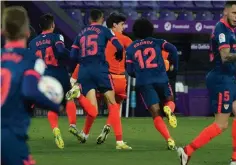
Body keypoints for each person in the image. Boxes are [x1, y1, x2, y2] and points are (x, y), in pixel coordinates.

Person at [177, 1, 236, 165]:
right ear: (226, 12)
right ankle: (187, 151)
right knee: (221, 124)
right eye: (234, 13)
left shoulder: (228, 30)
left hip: (228, 79)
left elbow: (225, 51)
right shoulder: (221, 30)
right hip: (220, 79)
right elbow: (225, 57)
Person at [1, 6, 62, 165]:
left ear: (3, 32)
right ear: (27, 33)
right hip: (9, 136)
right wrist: (55, 105)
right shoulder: (31, 60)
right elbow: (30, 90)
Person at [67, 9, 131, 149]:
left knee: (93, 110)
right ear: (102, 19)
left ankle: (84, 132)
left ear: (89, 20)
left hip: (84, 70)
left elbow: (72, 56)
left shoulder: (80, 33)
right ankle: (119, 141)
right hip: (100, 69)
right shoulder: (105, 30)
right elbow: (118, 46)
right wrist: (120, 54)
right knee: (113, 104)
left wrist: (73, 70)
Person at [125, 18, 178, 150]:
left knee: (155, 112)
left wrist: (139, 73)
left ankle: (169, 139)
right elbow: (174, 50)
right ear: (150, 30)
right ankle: (169, 109)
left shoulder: (131, 47)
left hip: (144, 82)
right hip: (161, 78)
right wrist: (173, 68)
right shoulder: (157, 42)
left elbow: (130, 70)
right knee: (169, 100)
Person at [29, 13, 71, 149]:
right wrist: (72, 56)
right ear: (52, 25)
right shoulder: (56, 36)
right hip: (58, 73)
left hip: (44, 77)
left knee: (52, 103)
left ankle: (55, 129)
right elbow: (60, 50)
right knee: (71, 97)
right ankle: (74, 127)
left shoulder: (32, 42)